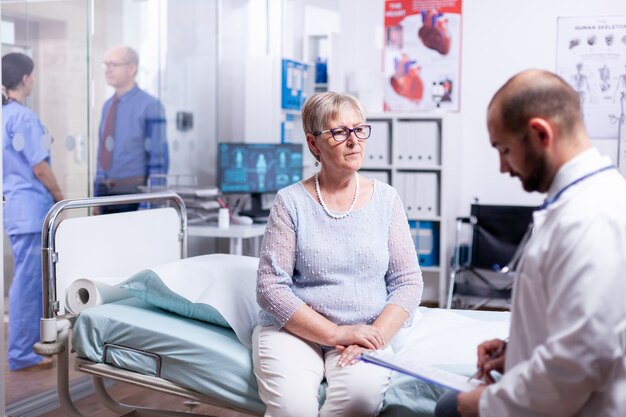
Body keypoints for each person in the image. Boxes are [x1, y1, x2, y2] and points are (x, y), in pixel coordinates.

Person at [435, 69, 626, 417]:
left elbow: (578, 364)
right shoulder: (573, 204)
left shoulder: (591, 218)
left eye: (504, 150)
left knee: (449, 408)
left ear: (540, 134)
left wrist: (483, 404)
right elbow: (572, 319)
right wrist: (517, 348)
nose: (502, 167)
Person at [253, 91, 424, 417]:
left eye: (359, 129)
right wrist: (334, 333)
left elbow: (408, 282)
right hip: (294, 332)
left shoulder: (386, 199)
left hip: (364, 332)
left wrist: (374, 336)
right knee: (293, 408)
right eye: (340, 132)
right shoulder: (290, 202)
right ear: (314, 144)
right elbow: (270, 288)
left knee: (357, 401)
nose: (354, 141)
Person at [2, 52, 64, 371]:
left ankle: (25, 348)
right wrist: (59, 196)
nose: (35, 79)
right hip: (31, 208)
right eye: (34, 74)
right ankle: (22, 353)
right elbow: (39, 167)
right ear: (26, 79)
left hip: (16, 208)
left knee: (29, 280)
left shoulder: (4, 116)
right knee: (28, 282)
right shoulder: (21, 117)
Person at [95, 45, 168, 214]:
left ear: (131, 68)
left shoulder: (150, 106)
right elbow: (102, 154)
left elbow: (159, 160)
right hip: (106, 195)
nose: (108, 70)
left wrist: (150, 203)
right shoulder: (108, 106)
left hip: (134, 196)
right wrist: (97, 198)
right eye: (105, 65)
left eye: (113, 65)